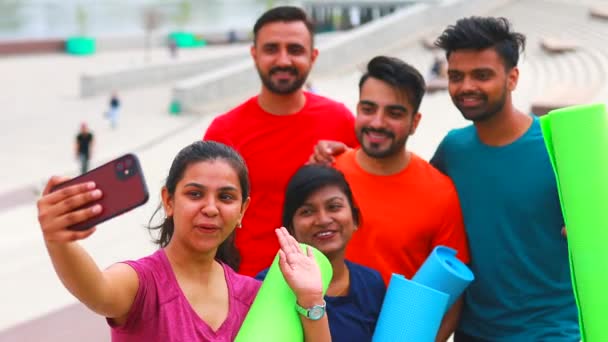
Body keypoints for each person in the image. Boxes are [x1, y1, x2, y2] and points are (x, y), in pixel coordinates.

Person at [36, 140, 331, 341]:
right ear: (169, 200)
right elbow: (98, 290)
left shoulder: (253, 296)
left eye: (226, 197)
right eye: (195, 194)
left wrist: (311, 300)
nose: (211, 208)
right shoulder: (143, 283)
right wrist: (58, 240)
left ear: (243, 210)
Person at [430, 17, 579, 341]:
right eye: (456, 76)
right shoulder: (452, 150)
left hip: (551, 332)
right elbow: (407, 190)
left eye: (481, 75)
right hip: (474, 333)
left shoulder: (559, 148)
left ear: (512, 78)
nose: (466, 86)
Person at [309, 56, 470, 341]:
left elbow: (450, 300)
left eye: (394, 113)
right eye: (368, 109)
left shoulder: (441, 193)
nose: (377, 122)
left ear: (415, 122)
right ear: (357, 109)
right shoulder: (325, 175)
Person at [203, 6, 358, 277]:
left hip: (328, 283)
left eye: (295, 50)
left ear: (313, 56)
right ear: (254, 55)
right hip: (249, 286)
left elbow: (363, 203)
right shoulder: (224, 131)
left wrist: (349, 161)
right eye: (271, 49)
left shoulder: (341, 121)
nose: (283, 60)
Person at [256, 164, 386, 341]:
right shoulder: (267, 286)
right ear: (290, 229)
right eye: (307, 211)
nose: (323, 220)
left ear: (354, 218)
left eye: (334, 207)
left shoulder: (372, 283)